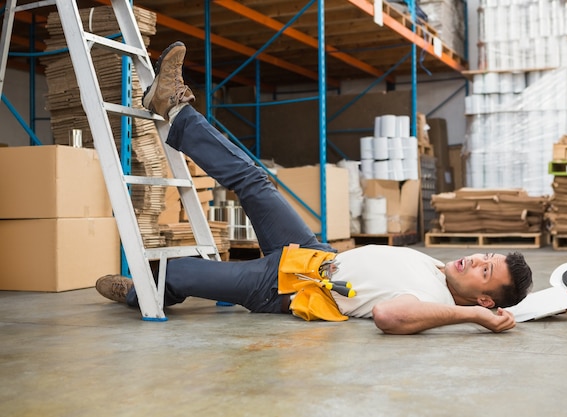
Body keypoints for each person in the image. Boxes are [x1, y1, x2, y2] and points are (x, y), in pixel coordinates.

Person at [96, 41, 533, 335]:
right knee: (254, 180)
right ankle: (173, 107)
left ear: (484, 298)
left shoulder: (432, 302)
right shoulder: (437, 272)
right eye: (486, 256)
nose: (476, 258)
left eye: (485, 270)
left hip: (288, 288)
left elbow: (387, 315)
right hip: (314, 253)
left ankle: (139, 293)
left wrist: (472, 316)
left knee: (184, 271)